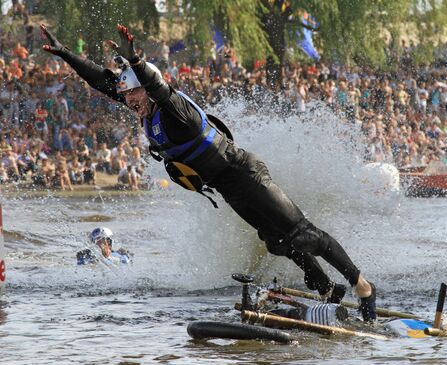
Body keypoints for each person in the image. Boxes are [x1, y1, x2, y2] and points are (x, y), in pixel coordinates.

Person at [42, 24, 377, 321]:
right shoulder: (145, 110)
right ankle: (326, 290)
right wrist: (65, 55)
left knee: (304, 234)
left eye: (133, 92)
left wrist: (138, 61)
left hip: (246, 173)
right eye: (126, 94)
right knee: (276, 243)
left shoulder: (175, 109)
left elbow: (159, 88)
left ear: (146, 87)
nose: (127, 99)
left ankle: (362, 286)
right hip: (228, 187)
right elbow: (104, 83)